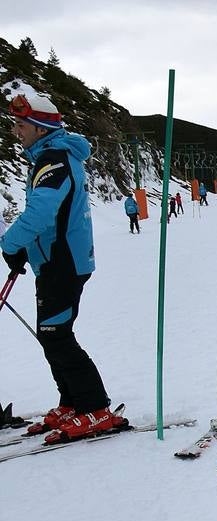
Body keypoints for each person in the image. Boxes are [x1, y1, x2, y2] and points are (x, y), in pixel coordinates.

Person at [3, 92, 125, 442]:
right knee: (51, 335)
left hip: (64, 263)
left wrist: (10, 244)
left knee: (57, 336)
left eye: (21, 124)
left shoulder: (54, 160)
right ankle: (72, 401)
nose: (15, 131)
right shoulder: (48, 157)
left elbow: (40, 214)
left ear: (40, 128)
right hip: (54, 260)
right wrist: (26, 247)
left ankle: (95, 407)